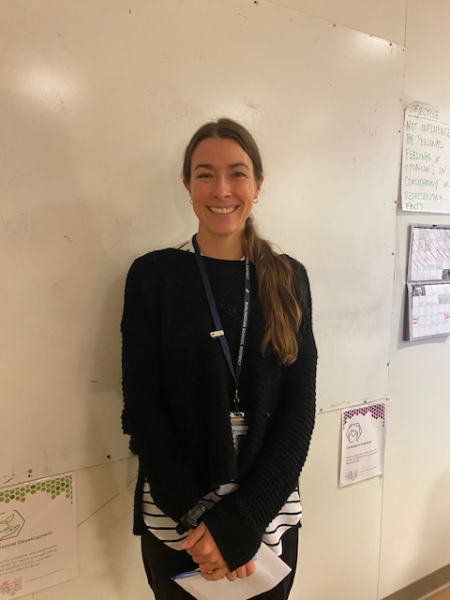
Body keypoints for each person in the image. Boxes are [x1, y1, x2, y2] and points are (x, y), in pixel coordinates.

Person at [121, 118, 317, 599]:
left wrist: (243, 522)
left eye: (237, 173)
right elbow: (144, 411)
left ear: (258, 185)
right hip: (180, 526)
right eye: (205, 174)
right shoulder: (154, 277)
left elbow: (298, 411)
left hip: (266, 520)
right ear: (187, 185)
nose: (222, 189)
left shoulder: (289, 278)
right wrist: (201, 518)